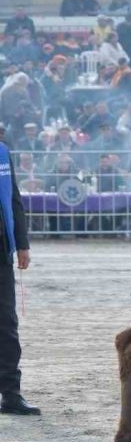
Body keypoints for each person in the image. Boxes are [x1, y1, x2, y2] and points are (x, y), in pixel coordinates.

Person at [0, 136, 37, 415]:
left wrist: (22, 243)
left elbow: (13, 199)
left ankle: (11, 394)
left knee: (6, 324)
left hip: (2, 250)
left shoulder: (2, 152)